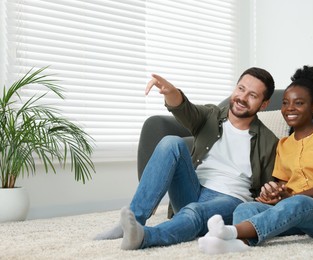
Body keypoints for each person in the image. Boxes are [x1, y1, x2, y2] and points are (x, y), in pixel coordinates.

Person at [94, 67, 279, 250]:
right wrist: (171, 92)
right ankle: (133, 219)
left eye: (252, 95)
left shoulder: (270, 142)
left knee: (195, 211)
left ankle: (143, 237)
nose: (242, 98)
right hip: (192, 188)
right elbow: (184, 108)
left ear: (263, 104)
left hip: (230, 198)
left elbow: (272, 188)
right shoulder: (212, 115)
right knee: (171, 143)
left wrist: (271, 193)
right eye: (241, 89)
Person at [198, 65, 313, 254]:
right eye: (285, 103)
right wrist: (274, 193)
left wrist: (292, 197)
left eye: (299, 103)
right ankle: (240, 244)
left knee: (299, 202)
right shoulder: (284, 144)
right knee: (246, 207)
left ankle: (232, 232)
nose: (289, 108)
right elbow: (283, 187)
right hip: (295, 212)